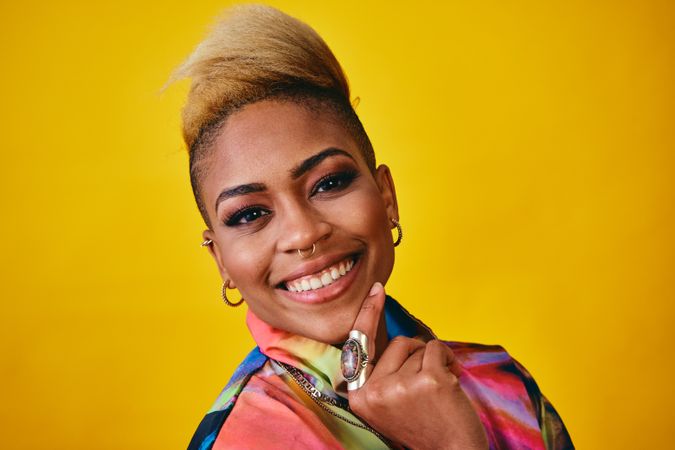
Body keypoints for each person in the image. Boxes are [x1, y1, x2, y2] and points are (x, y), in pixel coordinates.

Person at [168, 4, 573, 449]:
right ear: (220, 259)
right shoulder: (245, 437)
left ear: (386, 196)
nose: (304, 234)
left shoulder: (505, 385)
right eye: (250, 214)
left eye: (329, 183)